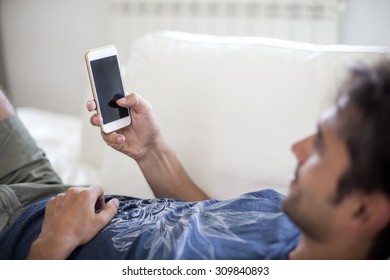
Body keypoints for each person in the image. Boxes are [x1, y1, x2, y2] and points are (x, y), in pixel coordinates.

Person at [0, 60, 390, 260]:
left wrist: (52, 245)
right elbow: (205, 216)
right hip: (53, 196)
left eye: (321, 147)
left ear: (362, 211)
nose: (298, 150)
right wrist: (151, 149)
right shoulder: (290, 215)